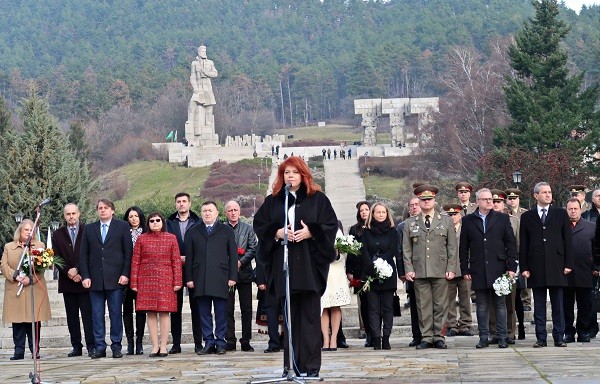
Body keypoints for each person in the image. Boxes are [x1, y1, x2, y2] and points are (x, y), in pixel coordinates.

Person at [253, 156, 338, 378]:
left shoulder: (317, 199)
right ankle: (290, 366)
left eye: (294, 172)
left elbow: (330, 225)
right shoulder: (274, 201)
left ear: (303, 175)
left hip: (309, 268)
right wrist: (276, 232)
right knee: (289, 321)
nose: (290, 176)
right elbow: (259, 224)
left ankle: (310, 367)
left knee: (309, 320)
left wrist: (312, 232)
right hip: (285, 267)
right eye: (286, 172)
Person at [459, 188, 518, 349]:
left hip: (499, 267)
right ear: (477, 201)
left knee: (500, 304)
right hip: (478, 267)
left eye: (490, 199)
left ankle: (502, 337)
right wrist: (465, 269)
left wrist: (511, 267)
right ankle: (483, 337)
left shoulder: (502, 218)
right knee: (482, 304)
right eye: (485, 199)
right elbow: (463, 247)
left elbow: (510, 244)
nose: (489, 201)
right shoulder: (469, 220)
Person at [520, 182, 574, 348]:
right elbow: (524, 243)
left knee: (558, 304)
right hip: (536, 265)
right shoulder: (527, 216)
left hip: (557, 264)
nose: (548, 195)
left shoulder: (560, 214)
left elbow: (568, 240)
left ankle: (559, 336)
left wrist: (568, 263)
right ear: (536, 195)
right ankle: (541, 338)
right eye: (544, 192)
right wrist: (524, 267)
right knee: (540, 304)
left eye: (549, 192)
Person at [403, 184, 457, 350]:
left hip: (440, 269)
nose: (426, 202)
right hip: (420, 270)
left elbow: (452, 247)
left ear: (434, 200)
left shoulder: (446, 220)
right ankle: (426, 337)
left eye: (429, 199)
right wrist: (408, 269)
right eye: (423, 199)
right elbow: (406, 248)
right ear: (418, 201)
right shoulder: (410, 223)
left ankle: (439, 336)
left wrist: (451, 267)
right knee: (422, 305)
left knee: (441, 305)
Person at [80, 198, 133, 359]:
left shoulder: (122, 226)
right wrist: (85, 276)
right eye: (100, 208)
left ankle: (116, 346)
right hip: (95, 280)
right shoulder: (89, 229)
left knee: (116, 314)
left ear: (112, 210)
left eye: (106, 208)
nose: (102, 210)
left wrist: (125, 274)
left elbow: (127, 252)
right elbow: (84, 255)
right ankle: (100, 347)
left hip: (116, 279)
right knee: (97, 315)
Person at [185, 201, 238, 355]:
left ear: (216, 213)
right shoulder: (193, 231)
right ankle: (208, 341)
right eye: (204, 211)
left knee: (222, 311)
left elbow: (233, 255)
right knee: (204, 312)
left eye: (210, 210)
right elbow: (190, 257)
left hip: (220, 277)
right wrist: (189, 278)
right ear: (201, 213)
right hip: (199, 277)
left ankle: (221, 342)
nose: (207, 213)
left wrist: (233, 276)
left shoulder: (226, 231)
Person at [130, 212, 181, 357]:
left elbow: (176, 261)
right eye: (151, 221)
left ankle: (164, 346)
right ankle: (154, 346)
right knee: (150, 313)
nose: (155, 223)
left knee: (165, 313)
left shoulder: (171, 238)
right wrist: (134, 282)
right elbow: (135, 262)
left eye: (158, 220)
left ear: (162, 222)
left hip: (166, 280)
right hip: (146, 280)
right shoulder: (141, 239)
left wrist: (177, 281)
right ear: (148, 223)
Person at [1, 219, 50, 360]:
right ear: (20, 231)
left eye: (31, 230)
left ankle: (35, 350)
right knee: (17, 323)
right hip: (15, 288)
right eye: (26, 230)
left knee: (33, 322)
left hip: (33, 289)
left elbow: (42, 267)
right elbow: (4, 266)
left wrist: (30, 278)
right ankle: (18, 351)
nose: (29, 232)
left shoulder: (39, 245)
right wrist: (15, 276)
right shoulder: (9, 247)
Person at [52, 203, 95, 357]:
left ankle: (92, 345)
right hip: (67, 281)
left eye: (73, 213)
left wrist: (78, 270)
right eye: (68, 214)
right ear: (64, 216)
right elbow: (55, 257)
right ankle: (76, 346)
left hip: (85, 280)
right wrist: (68, 272)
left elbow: (91, 253)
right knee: (72, 316)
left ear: (78, 214)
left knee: (88, 315)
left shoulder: (88, 230)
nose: (71, 216)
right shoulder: (57, 234)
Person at [166, 192, 203, 354]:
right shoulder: (168, 223)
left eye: (184, 201)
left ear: (189, 203)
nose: (181, 204)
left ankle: (198, 343)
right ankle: (176, 344)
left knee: (197, 307)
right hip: (174, 269)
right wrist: (176, 258)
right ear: (175, 204)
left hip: (194, 269)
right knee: (175, 308)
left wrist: (190, 258)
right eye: (178, 201)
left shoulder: (198, 222)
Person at [361, 202, 400, 350]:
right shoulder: (366, 231)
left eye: (383, 212)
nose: (381, 215)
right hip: (370, 274)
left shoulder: (392, 231)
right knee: (373, 308)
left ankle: (386, 338)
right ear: (373, 214)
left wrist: (382, 263)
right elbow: (364, 251)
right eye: (378, 212)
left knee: (388, 307)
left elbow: (393, 250)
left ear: (387, 214)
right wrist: (371, 266)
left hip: (387, 272)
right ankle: (376, 338)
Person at [224, 200, 258, 352]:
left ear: (239, 212)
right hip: (226, 275)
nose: (233, 212)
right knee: (227, 308)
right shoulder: (222, 229)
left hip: (244, 273)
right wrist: (230, 263)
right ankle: (230, 340)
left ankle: (246, 340)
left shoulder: (248, 228)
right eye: (230, 210)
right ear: (226, 213)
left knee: (246, 308)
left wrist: (240, 262)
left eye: (235, 209)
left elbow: (253, 248)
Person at [489, 190, 522, 344]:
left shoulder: (514, 220)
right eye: (493, 202)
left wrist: (516, 267)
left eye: (498, 202)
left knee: (509, 301)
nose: (495, 205)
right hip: (490, 266)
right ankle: (495, 332)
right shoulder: (484, 219)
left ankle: (509, 332)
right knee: (491, 302)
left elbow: (518, 245)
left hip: (509, 266)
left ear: (504, 203)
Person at [563, 198, 595, 343]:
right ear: (566, 209)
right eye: (570, 209)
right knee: (566, 305)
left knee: (585, 305)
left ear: (580, 209)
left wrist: (597, 267)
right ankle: (568, 332)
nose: (573, 211)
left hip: (586, 271)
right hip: (565, 273)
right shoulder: (561, 226)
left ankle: (584, 331)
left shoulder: (591, 227)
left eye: (576, 208)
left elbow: (597, 249)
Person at [443, 204, 473, 338]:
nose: (452, 217)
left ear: (460, 215)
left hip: (464, 268)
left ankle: (465, 324)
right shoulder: (443, 229)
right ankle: (452, 325)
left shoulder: (466, 228)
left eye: (455, 214)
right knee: (449, 299)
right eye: (449, 215)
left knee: (465, 298)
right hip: (448, 269)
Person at [396, 197, 423, 347]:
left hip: (428, 269)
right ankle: (416, 335)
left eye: (416, 204)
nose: (414, 207)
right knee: (414, 304)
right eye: (411, 205)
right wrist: (402, 272)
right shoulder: (402, 226)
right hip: (411, 271)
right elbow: (400, 251)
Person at [321, 227, 352, 351]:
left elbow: (344, 252)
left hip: (335, 271)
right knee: (322, 306)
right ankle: (325, 339)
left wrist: (337, 254)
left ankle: (334, 338)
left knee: (335, 306)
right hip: (321, 270)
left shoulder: (336, 231)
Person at [122, 206, 147, 355]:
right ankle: (130, 342)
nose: (133, 219)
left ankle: (139, 341)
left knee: (141, 310)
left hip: (142, 276)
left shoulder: (146, 232)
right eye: (130, 216)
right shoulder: (123, 232)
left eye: (136, 216)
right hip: (126, 275)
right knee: (126, 310)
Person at [348, 201, 373, 347]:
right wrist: (349, 271)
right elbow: (350, 252)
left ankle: (377, 331)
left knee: (375, 303)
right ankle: (368, 333)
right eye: (361, 210)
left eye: (366, 209)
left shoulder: (376, 227)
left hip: (374, 270)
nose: (364, 212)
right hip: (359, 271)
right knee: (364, 303)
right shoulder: (354, 229)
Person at [505, 188, 531, 312]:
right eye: (509, 199)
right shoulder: (504, 213)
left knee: (524, 276)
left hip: (523, 248)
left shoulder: (525, 213)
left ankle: (526, 301)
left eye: (514, 198)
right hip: (511, 250)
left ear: (518, 199)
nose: (512, 201)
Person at [187, 45, 218, 136]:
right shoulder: (194, 63)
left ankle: (208, 122)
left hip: (207, 87)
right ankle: (190, 120)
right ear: (199, 52)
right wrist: (195, 88)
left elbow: (215, 73)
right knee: (192, 103)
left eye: (205, 51)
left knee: (209, 105)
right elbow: (192, 77)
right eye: (202, 51)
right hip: (198, 87)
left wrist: (207, 73)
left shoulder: (210, 62)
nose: (204, 52)